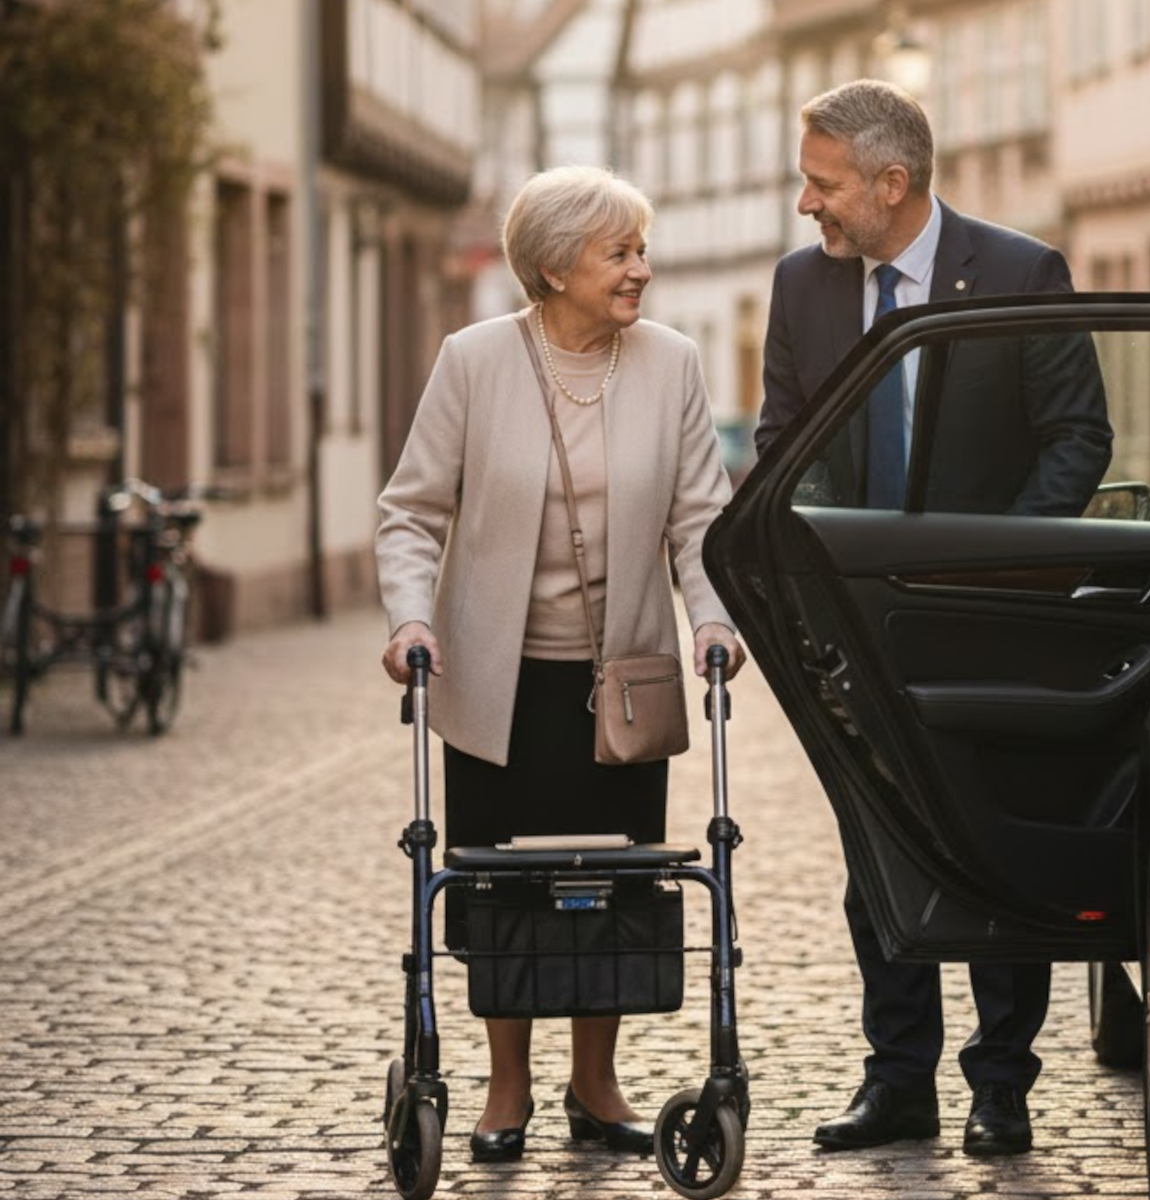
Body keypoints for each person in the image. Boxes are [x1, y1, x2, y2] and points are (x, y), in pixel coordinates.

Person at [755, 78, 1112, 1158]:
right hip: (860, 627)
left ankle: (1002, 1085)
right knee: (879, 858)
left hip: (993, 622)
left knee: (997, 853)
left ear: (891, 182)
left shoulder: (1019, 272)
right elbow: (782, 439)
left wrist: (994, 566)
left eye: (822, 184)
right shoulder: (802, 285)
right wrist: (825, 566)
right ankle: (897, 1081)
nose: (807, 204)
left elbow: (1077, 439)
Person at [375, 165, 744, 1166]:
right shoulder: (474, 361)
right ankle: (506, 1084)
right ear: (552, 268)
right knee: (500, 891)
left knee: (613, 885)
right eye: (618, 253)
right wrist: (410, 620)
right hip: (495, 681)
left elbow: (700, 519)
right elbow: (411, 511)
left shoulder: (669, 363)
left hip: (619, 686)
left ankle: (596, 1080)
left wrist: (712, 623)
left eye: (641, 250)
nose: (641, 270)